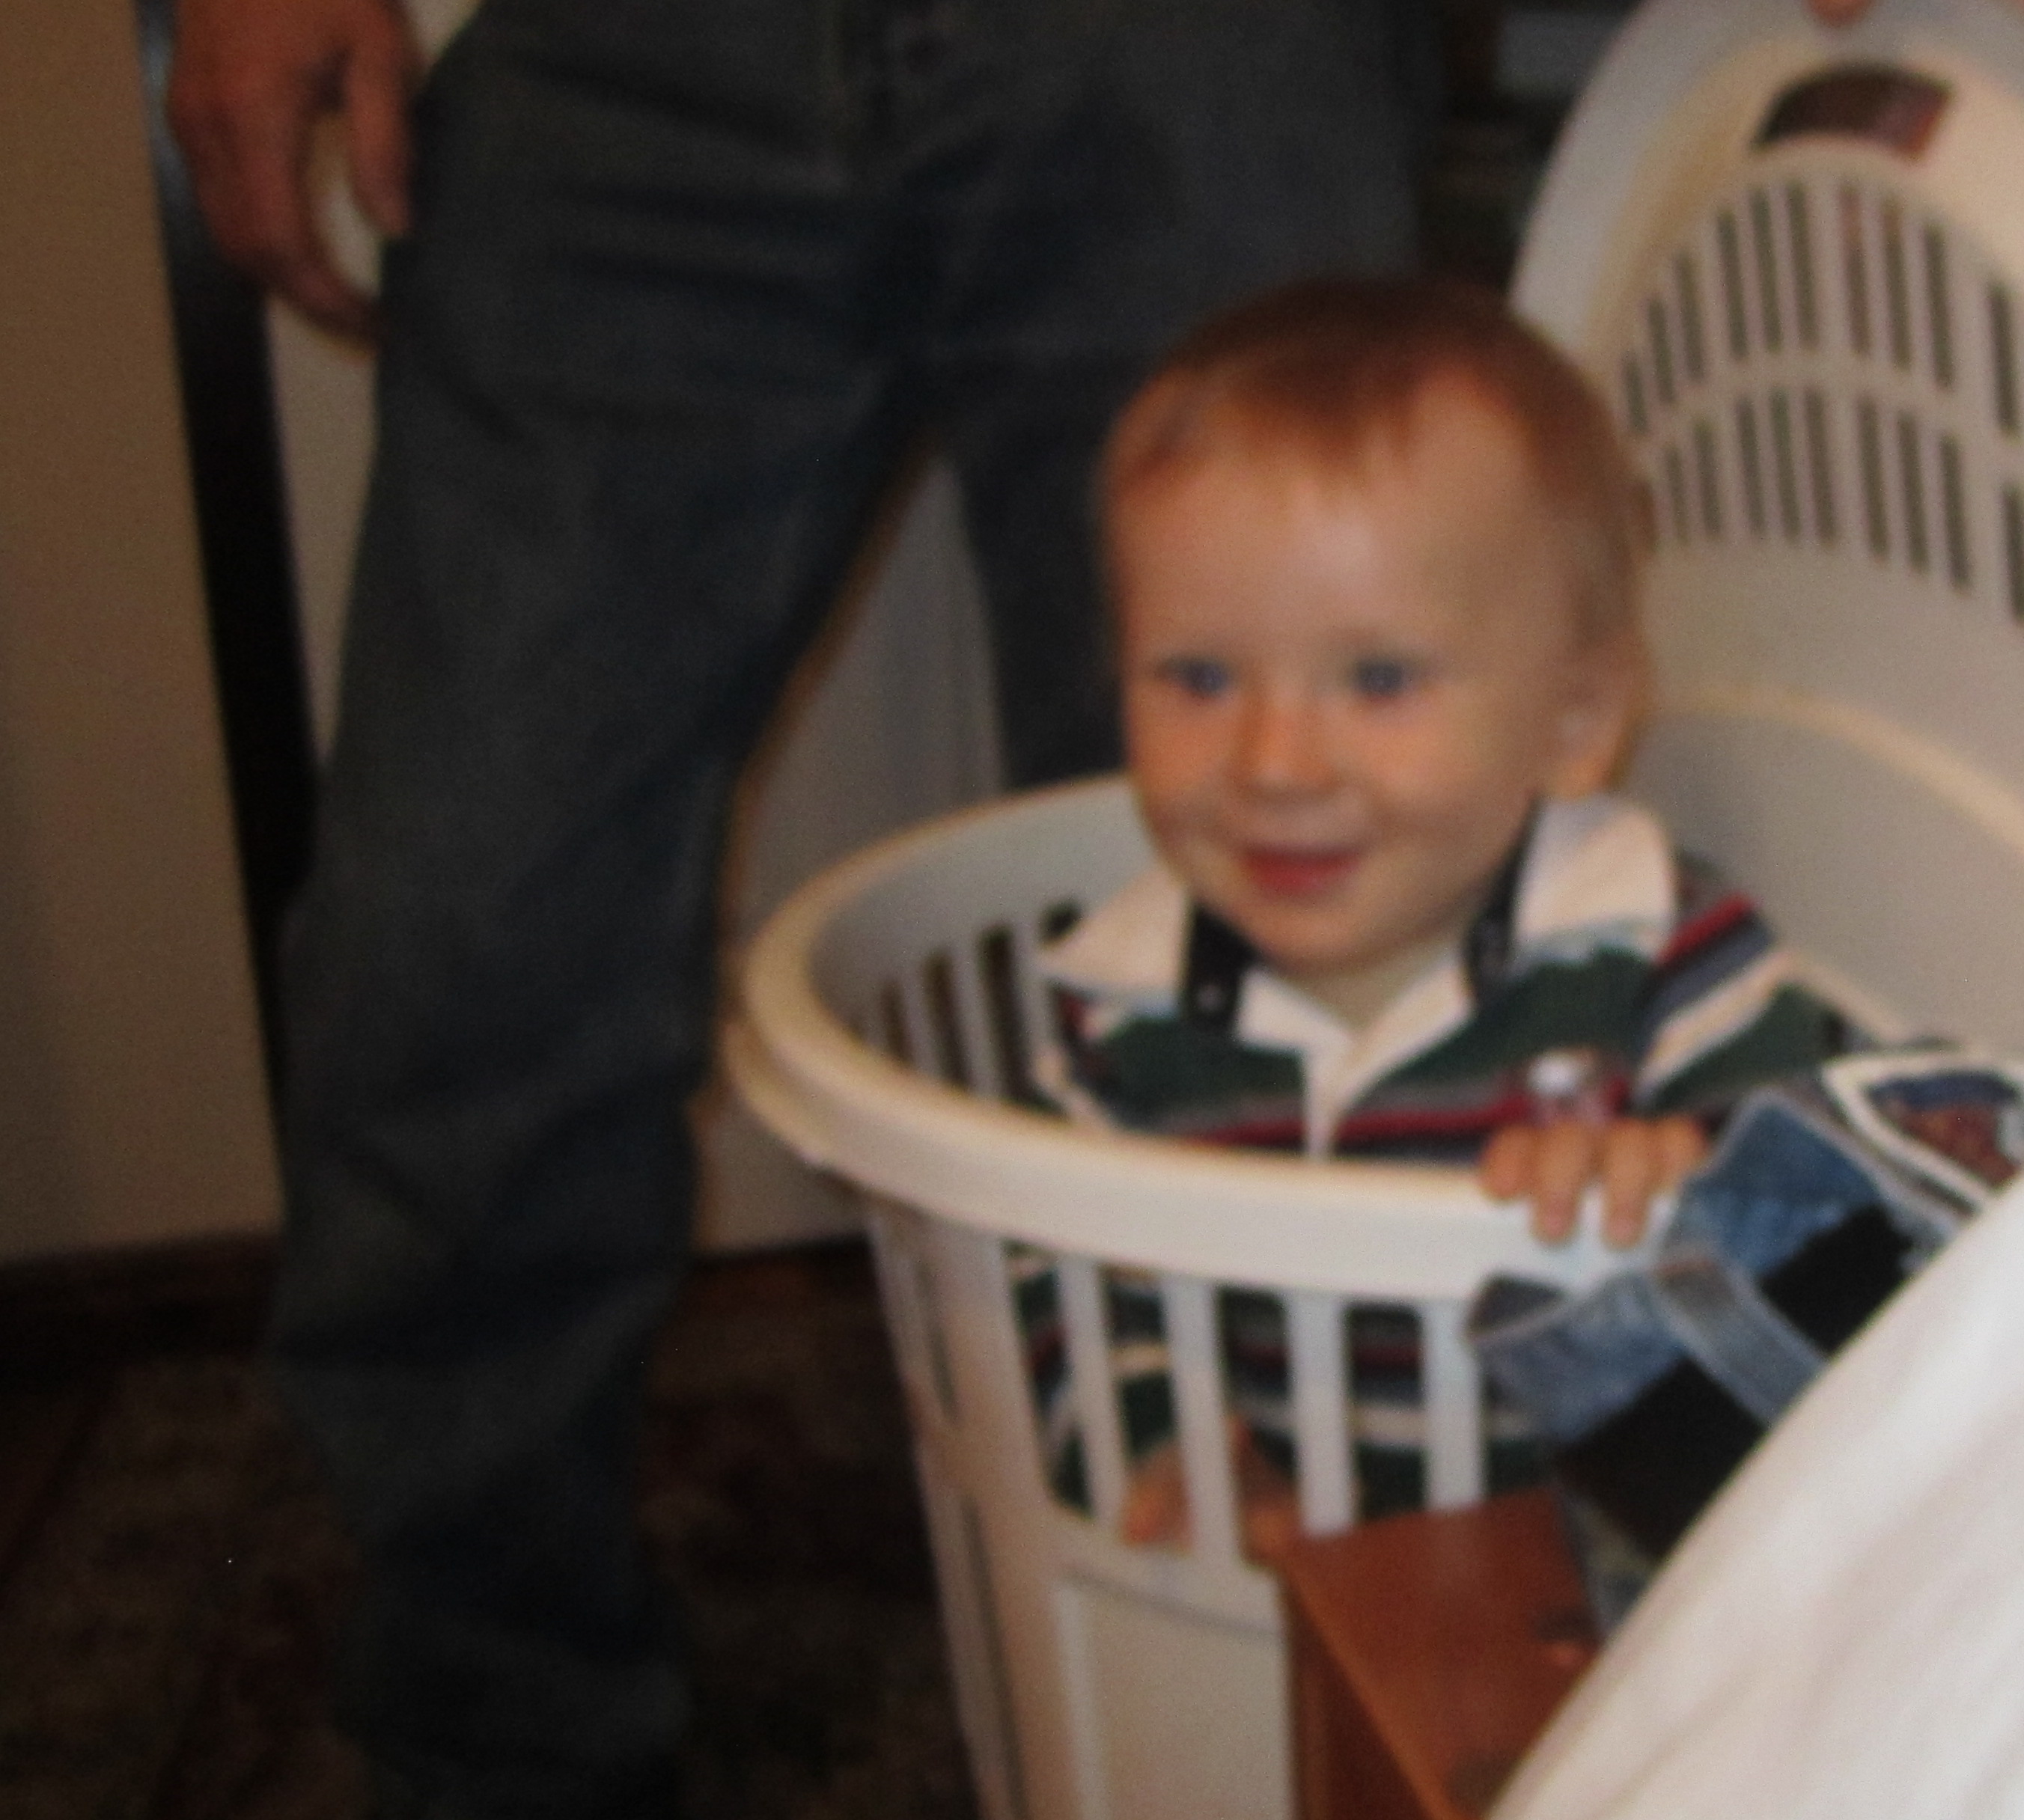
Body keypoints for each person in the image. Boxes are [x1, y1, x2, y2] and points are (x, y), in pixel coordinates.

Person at [163, 0, 1436, 1812]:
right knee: (452, 958)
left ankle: (1256, 1714)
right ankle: (498, 1744)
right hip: (639, 57)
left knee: (1275, 946)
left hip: (1192, 41)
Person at [1027, 278, 1857, 1543]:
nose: (1274, 765)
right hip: (1272, 1600)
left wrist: (1682, 1175)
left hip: (1600, 1589)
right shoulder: (1117, 1009)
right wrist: (1160, 1451)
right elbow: (1059, 1287)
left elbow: (1839, 1208)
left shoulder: (1659, 953)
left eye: (1377, 678)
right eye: (1198, 677)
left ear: (1573, 722)